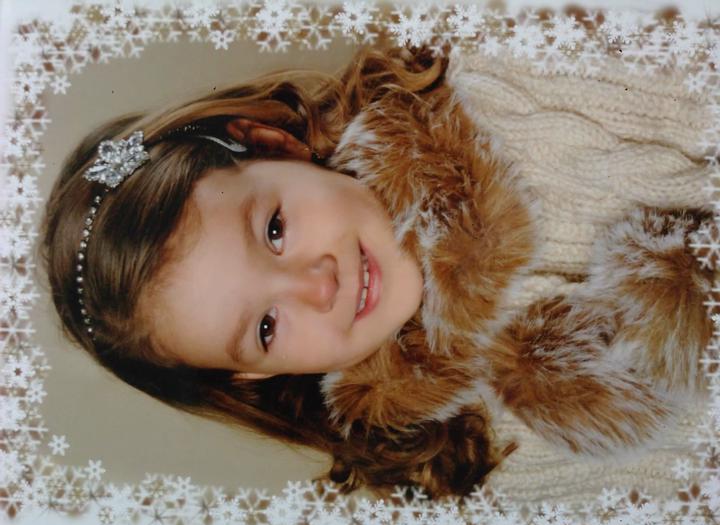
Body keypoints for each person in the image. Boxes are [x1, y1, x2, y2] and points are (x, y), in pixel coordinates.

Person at [40, 41, 716, 500]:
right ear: (256, 375)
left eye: (275, 229)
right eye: (267, 327)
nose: (317, 285)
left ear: (273, 144)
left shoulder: (515, 78)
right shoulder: (472, 466)